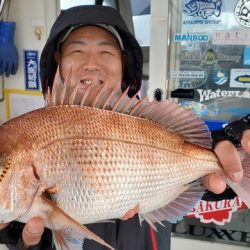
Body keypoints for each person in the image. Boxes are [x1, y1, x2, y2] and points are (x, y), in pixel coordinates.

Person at [0, 4, 249, 250]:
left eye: (106, 52)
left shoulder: (154, 123)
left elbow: (206, 173)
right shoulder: (32, 128)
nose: (92, 63)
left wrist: (230, 148)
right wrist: (16, 235)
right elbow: (41, 233)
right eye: (77, 51)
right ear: (58, 59)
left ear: (124, 60)